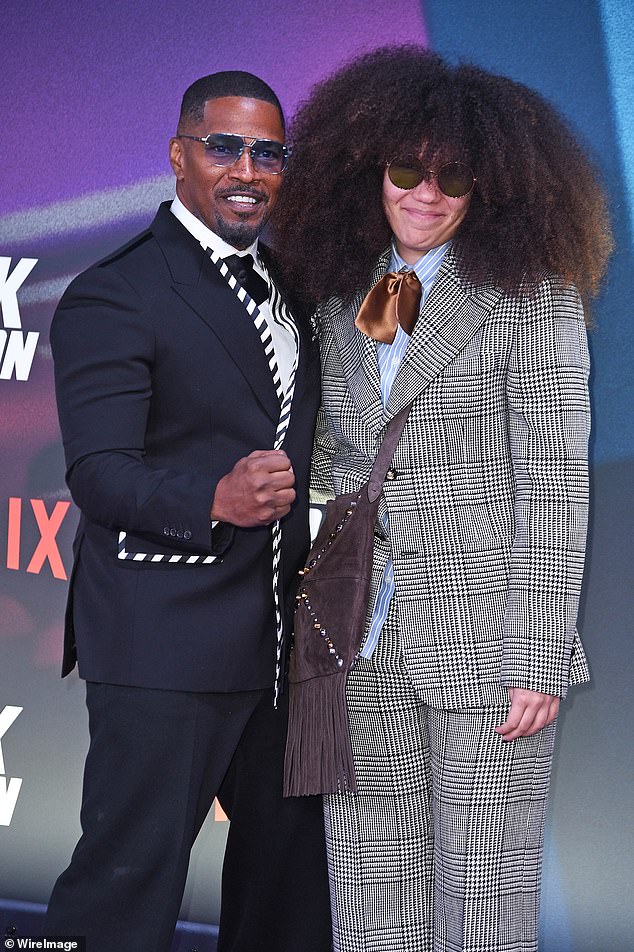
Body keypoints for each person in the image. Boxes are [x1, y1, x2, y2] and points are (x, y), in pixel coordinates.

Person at [272, 47, 612, 952]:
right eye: (406, 169)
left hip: (489, 643)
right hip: (355, 638)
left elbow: (554, 480)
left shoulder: (529, 296)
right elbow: (328, 458)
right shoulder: (337, 290)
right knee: (373, 885)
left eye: (453, 174)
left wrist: (536, 653)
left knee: (487, 897)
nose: (426, 193)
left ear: (488, 183)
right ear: (368, 169)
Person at [45, 71, 332, 952]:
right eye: (224, 146)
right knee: (124, 892)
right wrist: (213, 499)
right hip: (162, 639)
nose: (248, 169)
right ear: (178, 155)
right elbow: (97, 473)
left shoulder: (291, 282)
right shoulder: (114, 292)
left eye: (268, 152)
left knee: (287, 899)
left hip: (283, 650)